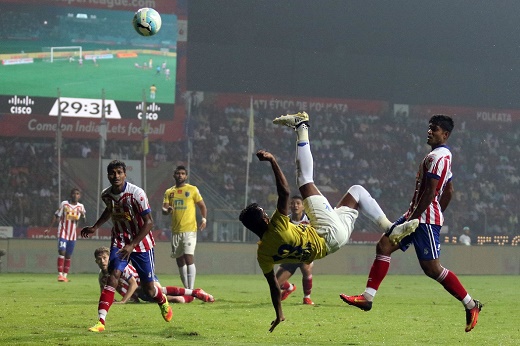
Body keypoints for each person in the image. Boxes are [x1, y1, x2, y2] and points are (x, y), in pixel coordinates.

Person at [238, 111, 418, 332]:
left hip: (334, 244)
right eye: (263, 212)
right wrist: (273, 161)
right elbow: (284, 192)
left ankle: (391, 228)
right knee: (304, 180)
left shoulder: (263, 254)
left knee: (357, 192)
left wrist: (279, 314)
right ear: (265, 218)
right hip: (326, 232)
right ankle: (301, 126)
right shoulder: (276, 226)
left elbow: (275, 288)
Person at [341, 114, 483, 333]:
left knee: (432, 268)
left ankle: (472, 305)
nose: (429, 131)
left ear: (445, 134)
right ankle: (367, 298)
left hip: (422, 218)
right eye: (429, 128)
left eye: (434, 129)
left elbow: (431, 192)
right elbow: (449, 191)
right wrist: (432, 212)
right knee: (384, 245)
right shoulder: (440, 156)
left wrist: (419, 217)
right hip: (418, 214)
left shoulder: (438, 158)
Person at [81, 160, 172, 332]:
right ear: (108, 175)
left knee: (149, 288)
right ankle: (101, 321)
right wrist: (95, 226)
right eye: (112, 173)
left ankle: (162, 300)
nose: (115, 176)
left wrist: (133, 245)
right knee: (113, 274)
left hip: (142, 243)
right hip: (120, 240)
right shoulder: (106, 195)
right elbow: (110, 209)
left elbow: (149, 222)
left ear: (125, 174)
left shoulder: (137, 194)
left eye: (119, 172)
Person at [94, 246, 214, 304]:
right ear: (96, 262)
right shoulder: (102, 276)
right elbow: (104, 290)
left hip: (144, 279)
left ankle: (194, 292)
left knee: (159, 290)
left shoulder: (119, 267)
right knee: (177, 300)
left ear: (110, 258)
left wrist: (123, 301)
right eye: (99, 259)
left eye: (105, 258)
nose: (102, 261)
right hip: (140, 292)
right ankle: (196, 294)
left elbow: (133, 284)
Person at [162, 165, 207, 289]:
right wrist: (167, 209)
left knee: (188, 257)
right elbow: (164, 209)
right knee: (179, 260)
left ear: (186, 176)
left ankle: (191, 290)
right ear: (174, 175)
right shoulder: (169, 192)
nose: (180, 175)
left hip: (190, 230)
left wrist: (203, 218)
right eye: (178, 173)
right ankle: (186, 289)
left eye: (182, 173)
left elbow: (202, 205)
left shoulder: (192, 189)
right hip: (176, 231)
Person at [275, 195, 315, 305]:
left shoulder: (310, 220)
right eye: (292, 203)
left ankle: (307, 297)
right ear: (289, 206)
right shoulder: (286, 221)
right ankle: (290, 287)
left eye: (298, 203)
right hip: (291, 256)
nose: (295, 206)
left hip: (305, 253)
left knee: (306, 268)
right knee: (275, 284)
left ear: (303, 206)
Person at [45, 188, 85, 282]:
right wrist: (49, 228)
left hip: (73, 234)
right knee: (61, 251)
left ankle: (65, 276)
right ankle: (59, 275)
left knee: (68, 255)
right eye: (74, 193)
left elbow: (83, 221)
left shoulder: (81, 207)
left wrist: (83, 215)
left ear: (80, 196)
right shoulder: (64, 204)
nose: (75, 195)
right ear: (71, 195)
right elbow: (56, 215)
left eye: (77, 194)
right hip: (63, 231)